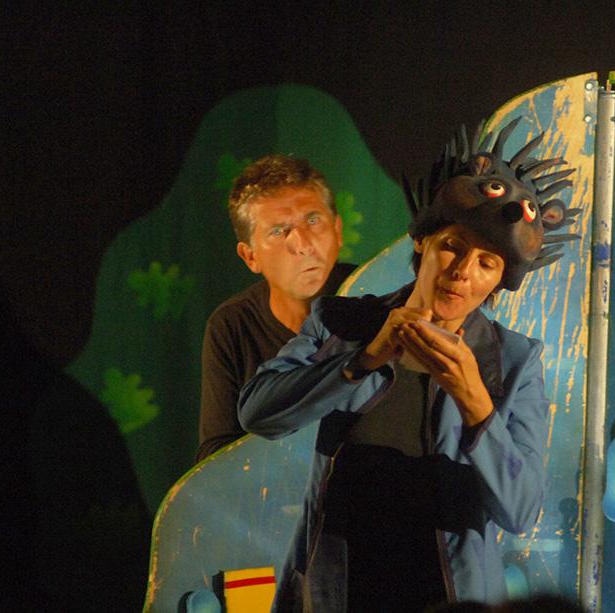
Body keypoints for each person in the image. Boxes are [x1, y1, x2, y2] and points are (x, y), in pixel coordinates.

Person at [238, 117, 579, 612]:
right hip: (342, 592)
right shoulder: (342, 322)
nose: (462, 273)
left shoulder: (514, 361)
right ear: (423, 242)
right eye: (453, 248)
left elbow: (521, 510)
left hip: (450, 599)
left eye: (486, 264)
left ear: (499, 280)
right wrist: (363, 360)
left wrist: (476, 402)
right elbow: (257, 413)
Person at [197, 155, 356, 462]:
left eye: (313, 220)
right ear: (250, 257)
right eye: (279, 231)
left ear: (337, 230)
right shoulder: (231, 325)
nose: (303, 244)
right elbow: (216, 455)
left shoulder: (377, 294)